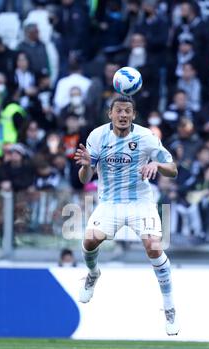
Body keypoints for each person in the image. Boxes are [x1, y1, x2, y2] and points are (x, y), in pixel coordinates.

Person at [74, 95, 179, 335]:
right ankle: (92, 274)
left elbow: (173, 169)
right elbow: (85, 179)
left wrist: (157, 166)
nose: (123, 115)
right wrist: (87, 165)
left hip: (140, 202)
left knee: (153, 246)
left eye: (128, 111)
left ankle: (169, 307)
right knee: (89, 240)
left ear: (133, 115)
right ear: (110, 114)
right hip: (110, 202)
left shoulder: (145, 137)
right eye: (119, 110)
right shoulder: (97, 136)